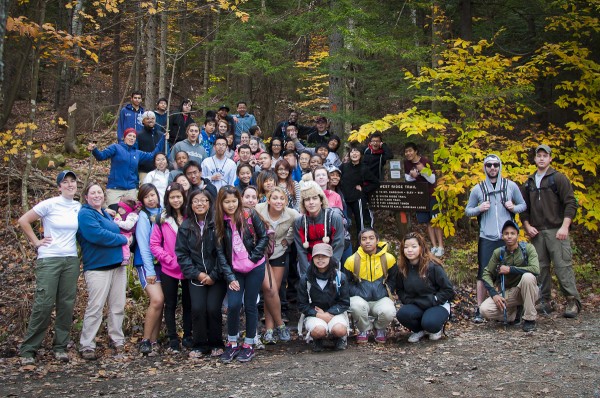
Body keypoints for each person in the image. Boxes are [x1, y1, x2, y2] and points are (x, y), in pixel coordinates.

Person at [18, 170, 81, 365]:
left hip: (70, 260)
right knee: (44, 304)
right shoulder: (50, 204)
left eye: (73, 181)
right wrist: (37, 242)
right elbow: (23, 220)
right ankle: (29, 349)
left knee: (66, 304)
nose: (70, 185)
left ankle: (60, 347)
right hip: (50, 259)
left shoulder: (78, 207)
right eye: (65, 182)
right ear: (59, 186)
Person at [465, 154, 527, 323]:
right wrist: (479, 208)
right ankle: (480, 308)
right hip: (487, 237)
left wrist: (513, 207)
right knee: (483, 273)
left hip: (506, 237)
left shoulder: (510, 186)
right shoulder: (478, 189)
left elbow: (523, 205)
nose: (492, 168)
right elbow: (468, 210)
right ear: (484, 167)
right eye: (489, 165)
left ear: (500, 166)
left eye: (495, 165)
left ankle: (509, 306)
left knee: (508, 271)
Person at [521, 144, 581, 318]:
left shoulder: (558, 178)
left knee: (563, 266)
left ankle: (572, 301)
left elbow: (571, 203)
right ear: (534, 159)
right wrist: (527, 226)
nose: (541, 158)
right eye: (538, 155)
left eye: (544, 156)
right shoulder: (529, 182)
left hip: (557, 230)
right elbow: (524, 207)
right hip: (537, 232)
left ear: (550, 158)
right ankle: (545, 300)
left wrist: (565, 226)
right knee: (540, 268)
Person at [215, 186, 269, 363]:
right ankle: (232, 343)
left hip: (255, 266)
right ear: (221, 203)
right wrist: (230, 277)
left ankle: (249, 344)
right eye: (226, 201)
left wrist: (253, 258)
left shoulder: (249, 215)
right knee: (234, 304)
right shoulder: (219, 222)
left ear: (239, 200)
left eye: (233, 201)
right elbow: (221, 253)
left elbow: (263, 237)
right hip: (235, 270)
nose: (231, 205)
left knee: (250, 304)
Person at [77, 183, 129, 360]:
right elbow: (96, 235)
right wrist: (122, 239)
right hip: (98, 267)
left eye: (99, 192)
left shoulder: (105, 213)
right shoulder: (85, 214)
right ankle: (87, 344)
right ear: (86, 197)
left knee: (117, 306)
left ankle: (117, 340)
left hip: (117, 266)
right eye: (93, 193)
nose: (97, 195)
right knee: (96, 306)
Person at [176, 188, 227, 358]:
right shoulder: (186, 226)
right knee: (197, 308)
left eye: (203, 200)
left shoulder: (217, 223)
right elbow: (182, 255)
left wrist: (213, 275)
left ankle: (216, 343)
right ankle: (199, 344)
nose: (200, 204)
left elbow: (224, 252)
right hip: (196, 276)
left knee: (213, 308)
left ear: (210, 203)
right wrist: (198, 274)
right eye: (195, 201)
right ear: (190, 204)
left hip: (216, 276)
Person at [150, 182, 192, 353]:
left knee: (190, 303)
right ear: (168, 199)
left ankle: (188, 335)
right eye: (172, 197)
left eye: (179, 197)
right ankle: (172, 338)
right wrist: (169, 259)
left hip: (189, 268)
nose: (176, 200)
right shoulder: (162, 219)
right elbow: (154, 244)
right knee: (170, 304)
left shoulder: (191, 216)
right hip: (169, 268)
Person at [256, 187, 300, 344]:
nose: (278, 201)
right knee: (269, 289)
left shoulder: (292, 214)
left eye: (282, 199)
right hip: (261, 254)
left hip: (279, 253)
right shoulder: (258, 210)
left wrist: (288, 239)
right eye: (274, 198)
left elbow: (300, 226)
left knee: (272, 291)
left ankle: (269, 329)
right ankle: (280, 325)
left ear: (286, 201)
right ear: (268, 200)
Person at [480, 220, 540, 332]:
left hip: (527, 289)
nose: (509, 236)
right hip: (508, 292)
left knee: (528, 277)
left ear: (517, 235)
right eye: (506, 234)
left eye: (512, 233)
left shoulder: (528, 248)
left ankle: (529, 319)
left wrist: (510, 269)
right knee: (484, 309)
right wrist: (494, 294)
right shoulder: (499, 252)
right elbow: (486, 273)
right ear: (502, 236)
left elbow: (535, 269)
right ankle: (514, 313)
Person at [395, 232, 454, 343]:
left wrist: (435, 299)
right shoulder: (402, 269)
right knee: (402, 314)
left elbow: (448, 289)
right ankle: (418, 330)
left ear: (421, 247)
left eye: (413, 246)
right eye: (406, 247)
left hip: (437, 304)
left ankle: (435, 328)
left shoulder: (433, 266)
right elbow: (400, 290)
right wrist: (408, 300)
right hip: (416, 303)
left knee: (430, 323)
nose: (409, 250)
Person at [343, 228, 397, 344]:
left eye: (371, 238)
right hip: (360, 298)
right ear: (360, 242)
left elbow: (394, 279)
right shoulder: (351, 260)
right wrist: (357, 292)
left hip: (381, 298)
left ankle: (379, 328)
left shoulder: (388, 258)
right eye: (364, 239)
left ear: (377, 240)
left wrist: (385, 291)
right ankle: (364, 329)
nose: (368, 241)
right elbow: (346, 283)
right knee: (355, 305)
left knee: (389, 311)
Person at [88, 127, 166, 206]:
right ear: (124, 137)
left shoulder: (137, 153)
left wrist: (163, 138)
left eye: (134, 136)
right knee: (113, 213)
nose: (132, 138)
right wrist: (94, 150)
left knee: (131, 215)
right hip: (115, 189)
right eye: (129, 135)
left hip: (131, 190)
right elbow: (101, 156)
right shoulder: (116, 147)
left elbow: (152, 156)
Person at [297, 243, 350, 352]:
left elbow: (344, 302)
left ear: (330, 258)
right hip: (314, 313)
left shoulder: (340, 277)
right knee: (318, 330)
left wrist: (328, 313)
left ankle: (338, 338)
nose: (320, 259)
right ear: (312, 258)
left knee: (339, 329)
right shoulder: (305, 279)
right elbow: (302, 305)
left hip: (335, 312)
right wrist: (318, 315)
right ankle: (317, 339)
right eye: (317, 256)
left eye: (324, 256)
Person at [135, 184, 164, 356]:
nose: (151, 199)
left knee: (162, 301)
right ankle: (146, 340)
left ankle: (154, 340)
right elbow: (144, 245)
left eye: (153, 195)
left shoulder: (164, 211)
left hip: (163, 263)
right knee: (157, 299)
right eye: (147, 197)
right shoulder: (143, 216)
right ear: (142, 200)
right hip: (147, 264)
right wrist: (150, 270)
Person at [294, 180, 344, 277]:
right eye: (307, 199)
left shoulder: (334, 218)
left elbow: (338, 245)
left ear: (321, 200)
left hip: (330, 261)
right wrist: (306, 275)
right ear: (303, 203)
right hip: (309, 262)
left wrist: (329, 269)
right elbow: (301, 250)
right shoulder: (299, 222)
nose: (311, 202)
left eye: (315, 198)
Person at [404, 142, 444, 256]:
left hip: (432, 195)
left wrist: (423, 170)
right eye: (406, 151)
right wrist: (412, 176)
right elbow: (407, 178)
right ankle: (434, 246)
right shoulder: (407, 163)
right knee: (427, 222)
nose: (408, 153)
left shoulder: (426, 162)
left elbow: (432, 180)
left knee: (436, 220)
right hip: (419, 197)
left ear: (416, 151)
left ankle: (441, 246)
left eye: (410, 151)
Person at [340, 144, 379, 234]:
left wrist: (363, 189)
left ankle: (361, 245)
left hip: (358, 199)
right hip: (345, 199)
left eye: (357, 151)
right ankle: (347, 244)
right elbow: (336, 178)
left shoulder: (364, 168)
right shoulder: (344, 166)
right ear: (349, 154)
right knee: (346, 222)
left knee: (360, 222)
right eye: (352, 152)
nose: (354, 154)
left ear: (361, 155)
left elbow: (375, 182)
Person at [137, 111, 165, 182]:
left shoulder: (161, 135)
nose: (150, 120)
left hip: (159, 170)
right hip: (144, 171)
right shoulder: (138, 135)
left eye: (153, 118)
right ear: (143, 121)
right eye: (147, 118)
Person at [113, 195, 141, 265]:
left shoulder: (132, 215)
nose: (119, 210)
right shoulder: (120, 215)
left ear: (127, 208)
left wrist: (118, 222)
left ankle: (126, 258)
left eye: (122, 208)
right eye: (119, 207)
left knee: (125, 243)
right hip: (120, 232)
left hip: (127, 234)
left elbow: (128, 226)